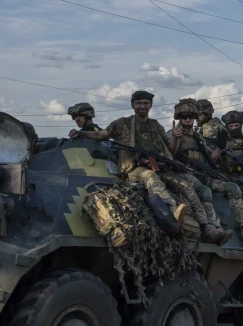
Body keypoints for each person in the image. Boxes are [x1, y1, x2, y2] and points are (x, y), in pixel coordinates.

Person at [68, 90, 193, 236]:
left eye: (145, 103)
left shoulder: (155, 126)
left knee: (186, 185)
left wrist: (176, 138)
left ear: (150, 105)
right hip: (133, 169)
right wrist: (81, 133)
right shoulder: (123, 124)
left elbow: (171, 149)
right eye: (138, 103)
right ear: (132, 105)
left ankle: (210, 227)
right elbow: (100, 134)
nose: (142, 106)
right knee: (150, 176)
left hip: (159, 167)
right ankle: (171, 211)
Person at [172, 98, 233, 244]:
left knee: (231, 187)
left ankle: (227, 227)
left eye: (191, 117)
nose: (188, 120)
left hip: (201, 173)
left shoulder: (197, 136)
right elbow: (170, 153)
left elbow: (211, 157)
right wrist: (175, 138)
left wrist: (220, 147)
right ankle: (209, 227)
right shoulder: (174, 134)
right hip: (183, 172)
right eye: (184, 117)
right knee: (204, 190)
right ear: (179, 118)